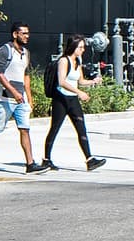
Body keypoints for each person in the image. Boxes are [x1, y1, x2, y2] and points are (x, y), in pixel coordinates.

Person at [0, 23, 41, 173]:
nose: (27, 36)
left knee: (25, 129)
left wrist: (28, 97)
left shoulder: (26, 53)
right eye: (23, 33)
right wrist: (13, 92)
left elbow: (26, 76)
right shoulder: (6, 51)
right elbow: (0, 75)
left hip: (20, 99)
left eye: (28, 33)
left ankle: (30, 164)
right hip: (4, 98)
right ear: (15, 34)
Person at [38, 31, 103, 171]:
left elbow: (80, 81)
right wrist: (79, 92)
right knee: (55, 128)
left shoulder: (78, 61)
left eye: (83, 47)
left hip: (73, 100)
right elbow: (61, 82)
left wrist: (93, 82)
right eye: (80, 47)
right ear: (73, 46)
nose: (82, 50)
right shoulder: (64, 60)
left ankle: (89, 159)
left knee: (81, 128)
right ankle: (46, 159)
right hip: (61, 99)